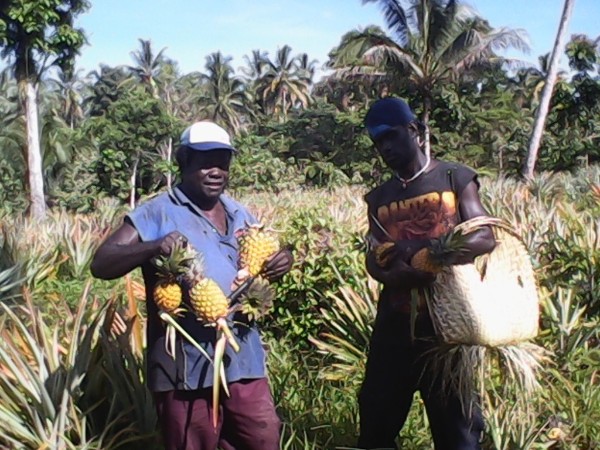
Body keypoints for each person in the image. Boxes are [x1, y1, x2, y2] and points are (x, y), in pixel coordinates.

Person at [90, 121, 293, 450]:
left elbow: (261, 262)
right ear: (183, 161)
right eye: (205, 162)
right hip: (185, 369)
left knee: (262, 439)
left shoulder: (240, 212)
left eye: (223, 163)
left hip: (244, 360)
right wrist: (153, 246)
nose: (216, 171)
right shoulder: (157, 212)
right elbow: (102, 262)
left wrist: (283, 260)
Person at [357, 97, 496, 450]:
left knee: (458, 434)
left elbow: (484, 236)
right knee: (375, 428)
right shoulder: (379, 198)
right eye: (378, 142)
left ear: (414, 130)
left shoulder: (454, 178)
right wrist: (388, 276)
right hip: (394, 329)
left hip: (447, 331)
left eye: (391, 136)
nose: (386, 148)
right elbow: (373, 257)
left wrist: (427, 252)